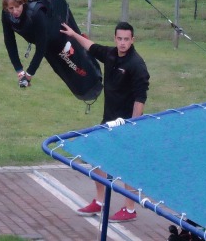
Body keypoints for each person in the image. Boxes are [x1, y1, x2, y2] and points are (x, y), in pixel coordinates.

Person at [60, 21, 150, 222]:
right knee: (96, 157)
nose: (123, 43)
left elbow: (140, 98)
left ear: (132, 40)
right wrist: (73, 34)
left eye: (126, 39)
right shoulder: (110, 55)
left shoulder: (137, 65)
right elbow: (91, 47)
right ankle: (100, 202)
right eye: (119, 39)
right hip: (108, 120)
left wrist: (134, 126)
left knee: (126, 165)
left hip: (126, 124)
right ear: (115, 38)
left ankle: (129, 208)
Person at [1, 0, 49, 88]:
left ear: (23, 2)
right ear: (6, 8)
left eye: (17, 6)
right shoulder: (6, 14)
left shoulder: (36, 13)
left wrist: (29, 73)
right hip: (36, 39)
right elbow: (9, 42)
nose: (15, 11)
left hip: (53, 39)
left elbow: (42, 46)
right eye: (11, 8)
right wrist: (20, 71)